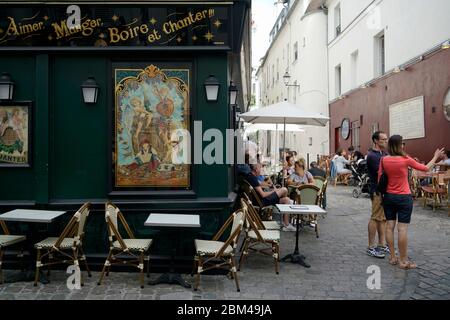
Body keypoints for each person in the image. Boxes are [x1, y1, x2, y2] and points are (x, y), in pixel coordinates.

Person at [380, 135, 444, 269]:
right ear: (399, 145)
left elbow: (380, 177)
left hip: (389, 197)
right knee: (402, 229)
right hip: (404, 197)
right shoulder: (405, 159)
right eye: (402, 143)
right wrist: (435, 156)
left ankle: (392, 257)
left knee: (389, 227)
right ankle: (403, 261)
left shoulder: (384, 160)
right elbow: (425, 168)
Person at [245, 163, 296, 231]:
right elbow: (263, 194)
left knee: (286, 200)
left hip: (260, 199)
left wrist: (270, 186)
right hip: (261, 201)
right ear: (256, 169)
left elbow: (260, 184)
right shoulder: (253, 178)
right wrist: (274, 191)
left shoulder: (250, 176)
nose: (261, 170)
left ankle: (286, 224)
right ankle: (283, 208)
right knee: (284, 189)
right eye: (260, 168)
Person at [366, 131, 389, 258]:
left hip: (384, 190)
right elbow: (383, 172)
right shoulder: (372, 156)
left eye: (386, 139)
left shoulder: (384, 153)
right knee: (375, 218)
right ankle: (370, 246)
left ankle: (382, 244)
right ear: (376, 141)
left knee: (382, 218)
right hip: (377, 190)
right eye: (383, 139)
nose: (386, 141)